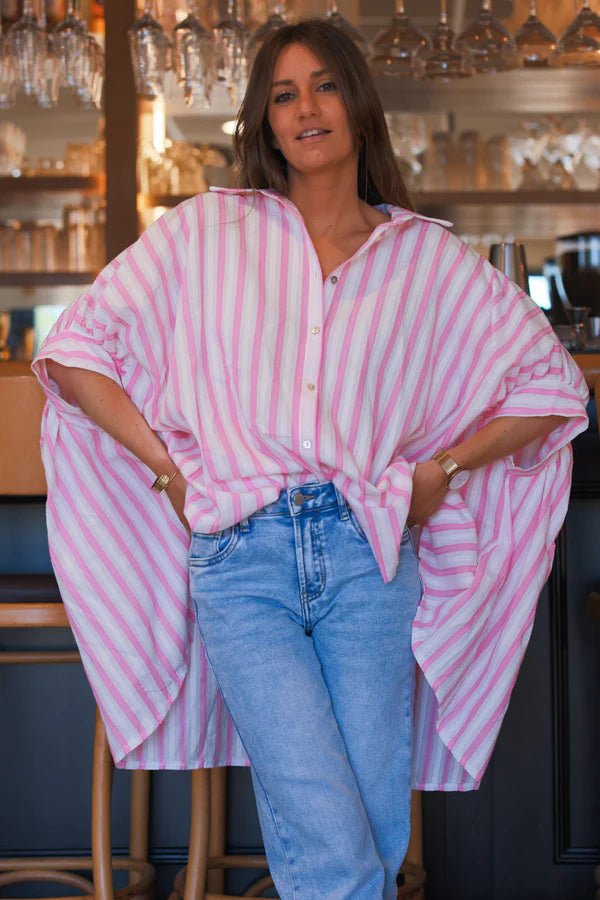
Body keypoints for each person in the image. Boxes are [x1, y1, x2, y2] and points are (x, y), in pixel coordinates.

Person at [33, 18, 588, 900]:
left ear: (359, 107)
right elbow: (76, 351)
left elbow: (550, 385)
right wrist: (168, 471)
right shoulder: (207, 232)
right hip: (241, 557)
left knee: (366, 815)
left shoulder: (427, 259)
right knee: (323, 816)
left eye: (323, 85)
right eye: (283, 95)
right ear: (264, 123)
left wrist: (440, 471)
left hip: (369, 555)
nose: (305, 108)